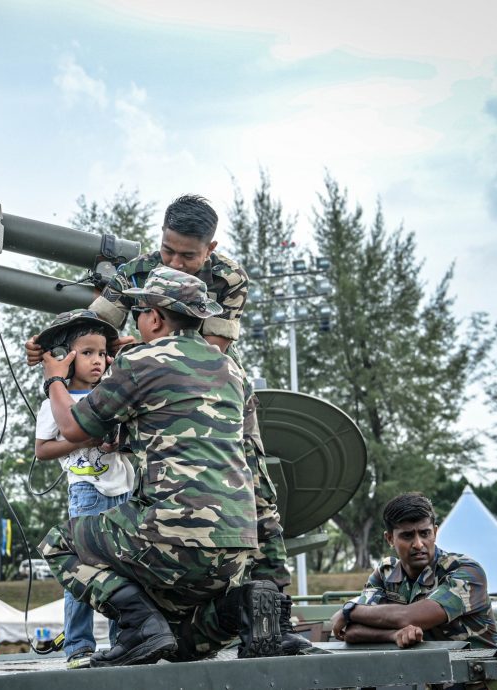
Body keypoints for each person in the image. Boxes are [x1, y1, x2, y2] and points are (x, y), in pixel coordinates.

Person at [25, 194, 300, 649]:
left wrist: (133, 359)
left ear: (210, 249)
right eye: (167, 250)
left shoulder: (227, 280)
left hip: (200, 398)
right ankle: (214, 609)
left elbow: (207, 353)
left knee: (255, 479)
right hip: (161, 400)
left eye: (187, 256)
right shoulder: (138, 271)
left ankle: (274, 612)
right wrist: (53, 343)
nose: (173, 261)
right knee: (183, 639)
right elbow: (95, 331)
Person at [33, 309, 134, 669]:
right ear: (66, 358)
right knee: (83, 568)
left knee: (124, 568)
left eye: (102, 353)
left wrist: (115, 443)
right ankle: (78, 645)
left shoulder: (110, 393)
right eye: (87, 352)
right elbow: (43, 449)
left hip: (124, 490)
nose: (97, 360)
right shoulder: (55, 403)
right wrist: (82, 440)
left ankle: (126, 640)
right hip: (87, 491)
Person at [331, 492, 497, 651]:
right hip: (440, 678)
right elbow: (351, 631)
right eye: (407, 536)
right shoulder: (386, 574)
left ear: (435, 532)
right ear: (390, 538)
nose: (418, 544)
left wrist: (348, 610)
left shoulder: (464, 571)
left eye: (425, 533)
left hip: (490, 679)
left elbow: (408, 617)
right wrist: (393, 635)